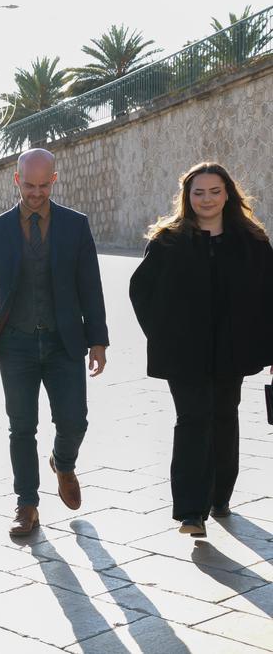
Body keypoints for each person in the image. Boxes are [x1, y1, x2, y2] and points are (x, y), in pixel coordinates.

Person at [0, 149, 109, 537]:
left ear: (54, 180)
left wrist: (98, 340)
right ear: (17, 181)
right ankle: (26, 503)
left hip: (65, 344)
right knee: (21, 427)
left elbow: (90, 286)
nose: (36, 193)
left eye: (44, 185)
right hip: (16, 345)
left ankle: (62, 462)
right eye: (29, 185)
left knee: (75, 420)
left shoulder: (75, 226)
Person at [130, 162, 273, 537]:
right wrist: (163, 335)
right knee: (193, 419)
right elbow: (141, 291)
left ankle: (220, 496)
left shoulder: (253, 241)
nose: (206, 199)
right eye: (198, 192)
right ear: (186, 196)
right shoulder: (168, 240)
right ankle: (192, 513)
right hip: (184, 353)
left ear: (228, 193)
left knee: (224, 417)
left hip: (233, 351)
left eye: (214, 191)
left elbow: (269, 296)